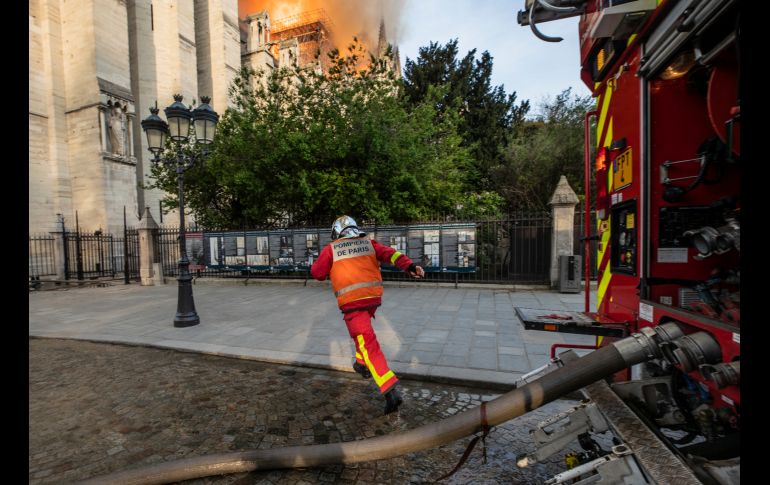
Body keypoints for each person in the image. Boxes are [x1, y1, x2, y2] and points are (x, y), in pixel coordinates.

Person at [311, 215, 425, 415]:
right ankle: (361, 363)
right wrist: (410, 266)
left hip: (352, 302)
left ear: (336, 233)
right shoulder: (368, 243)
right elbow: (391, 254)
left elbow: (317, 273)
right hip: (371, 299)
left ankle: (390, 391)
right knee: (361, 336)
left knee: (368, 344)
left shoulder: (332, 249)